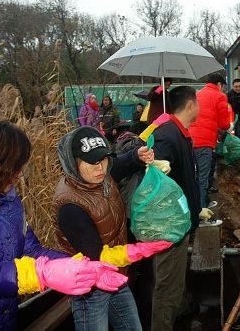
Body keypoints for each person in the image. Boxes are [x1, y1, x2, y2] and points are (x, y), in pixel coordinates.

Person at [0, 122, 127, 330]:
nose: (20, 174)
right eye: (16, 167)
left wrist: (80, 266)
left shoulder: (10, 201)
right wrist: (35, 274)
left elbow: (31, 249)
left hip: (5, 319)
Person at [52, 126, 172, 330]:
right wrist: (142, 249)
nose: (101, 167)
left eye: (104, 159)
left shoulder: (100, 176)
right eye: (92, 162)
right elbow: (99, 256)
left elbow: (118, 166)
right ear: (73, 164)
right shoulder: (70, 206)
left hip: (116, 275)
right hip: (90, 289)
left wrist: (136, 155)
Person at [150, 86, 203, 331]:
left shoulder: (181, 133)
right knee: (167, 286)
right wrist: (158, 165)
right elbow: (158, 171)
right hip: (170, 226)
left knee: (176, 283)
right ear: (190, 104)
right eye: (198, 102)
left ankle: (179, 319)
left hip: (181, 223)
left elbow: (186, 179)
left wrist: (196, 208)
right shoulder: (167, 134)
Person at [189, 73, 231, 211]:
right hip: (205, 143)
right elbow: (224, 124)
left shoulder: (196, 94)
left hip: (189, 141)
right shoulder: (220, 96)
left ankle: (197, 206)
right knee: (202, 178)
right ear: (219, 84)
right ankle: (200, 211)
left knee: (192, 176)